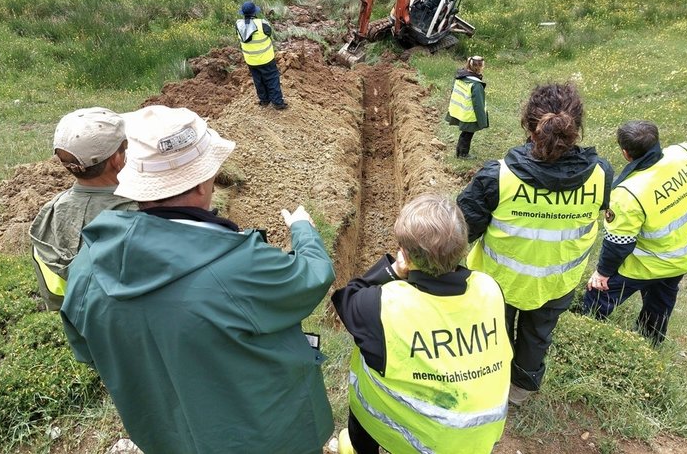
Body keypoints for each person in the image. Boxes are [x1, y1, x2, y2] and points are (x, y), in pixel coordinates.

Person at [60, 105, 335, 454]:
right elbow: (311, 278)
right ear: (205, 181)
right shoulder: (240, 265)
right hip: (262, 436)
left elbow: (87, 350)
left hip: (166, 434)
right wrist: (304, 232)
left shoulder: (86, 266)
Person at [457, 83, 613, 406]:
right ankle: (521, 391)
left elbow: (462, 229)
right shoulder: (601, 174)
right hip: (556, 284)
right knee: (537, 336)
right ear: (576, 130)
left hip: (497, 282)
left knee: (493, 334)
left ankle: (489, 384)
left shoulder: (496, 177)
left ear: (529, 126)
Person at [332, 194, 512, 454]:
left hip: (417, 439)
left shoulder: (383, 305)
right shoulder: (489, 289)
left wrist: (393, 270)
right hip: (480, 437)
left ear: (405, 254)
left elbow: (347, 296)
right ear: (462, 249)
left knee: (365, 376)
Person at [583, 121, 687, 345]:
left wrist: (602, 273)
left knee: (598, 296)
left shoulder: (628, 194)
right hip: (685, 256)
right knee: (660, 301)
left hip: (647, 264)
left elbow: (619, 244)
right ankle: (650, 342)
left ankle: (585, 336)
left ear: (626, 153)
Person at [29, 107, 136, 311]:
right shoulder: (137, 214)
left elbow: (54, 294)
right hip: (128, 327)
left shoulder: (48, 215)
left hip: (77, 321)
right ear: (117, 159)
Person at [235, 0, 287, 110]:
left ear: (243, 13)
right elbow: (269, 33)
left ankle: (264, 100)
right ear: (255, 12)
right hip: (266, 59)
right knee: (272, 79)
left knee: (258, 80)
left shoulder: (238, 25)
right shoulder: (262, 24)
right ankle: (277, 103)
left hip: (251, 61)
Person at [446, 55, 489, 159]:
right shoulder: (476, 85)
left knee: (465, 133)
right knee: (468, 134)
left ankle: (459, 152)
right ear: (480, 67)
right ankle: (463, 154)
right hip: (469, 115)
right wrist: (482, 121)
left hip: (460, 111)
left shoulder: (461, 77)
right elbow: (478, 105)